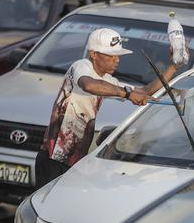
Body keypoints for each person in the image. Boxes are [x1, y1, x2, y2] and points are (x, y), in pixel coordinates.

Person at [35, 28, 183, 188]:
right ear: (93, 54)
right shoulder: (81, 66)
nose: (116, 60)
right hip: (53, 159)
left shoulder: (107, 81)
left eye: (118, 56)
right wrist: (127, 94)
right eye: (110, 55)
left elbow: (146, 91)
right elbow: (88, 84)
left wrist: (174, 66)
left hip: (74, 162)